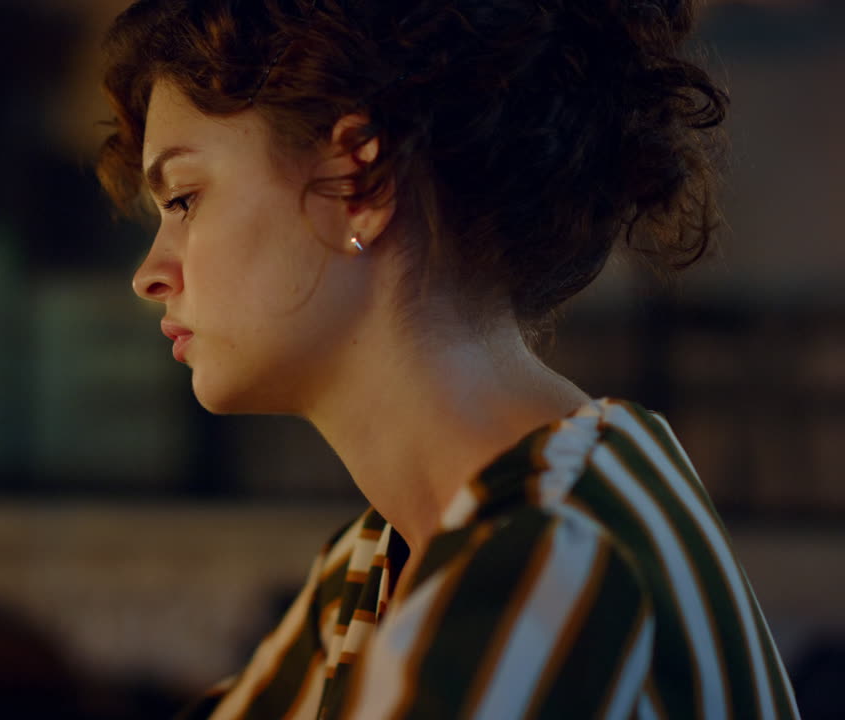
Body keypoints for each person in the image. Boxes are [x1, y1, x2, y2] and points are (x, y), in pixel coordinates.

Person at [96, 0, 801, 718]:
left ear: (358, 183)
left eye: (183, 198)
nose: (150, 272)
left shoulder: (552, 557)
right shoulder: (379, 562)